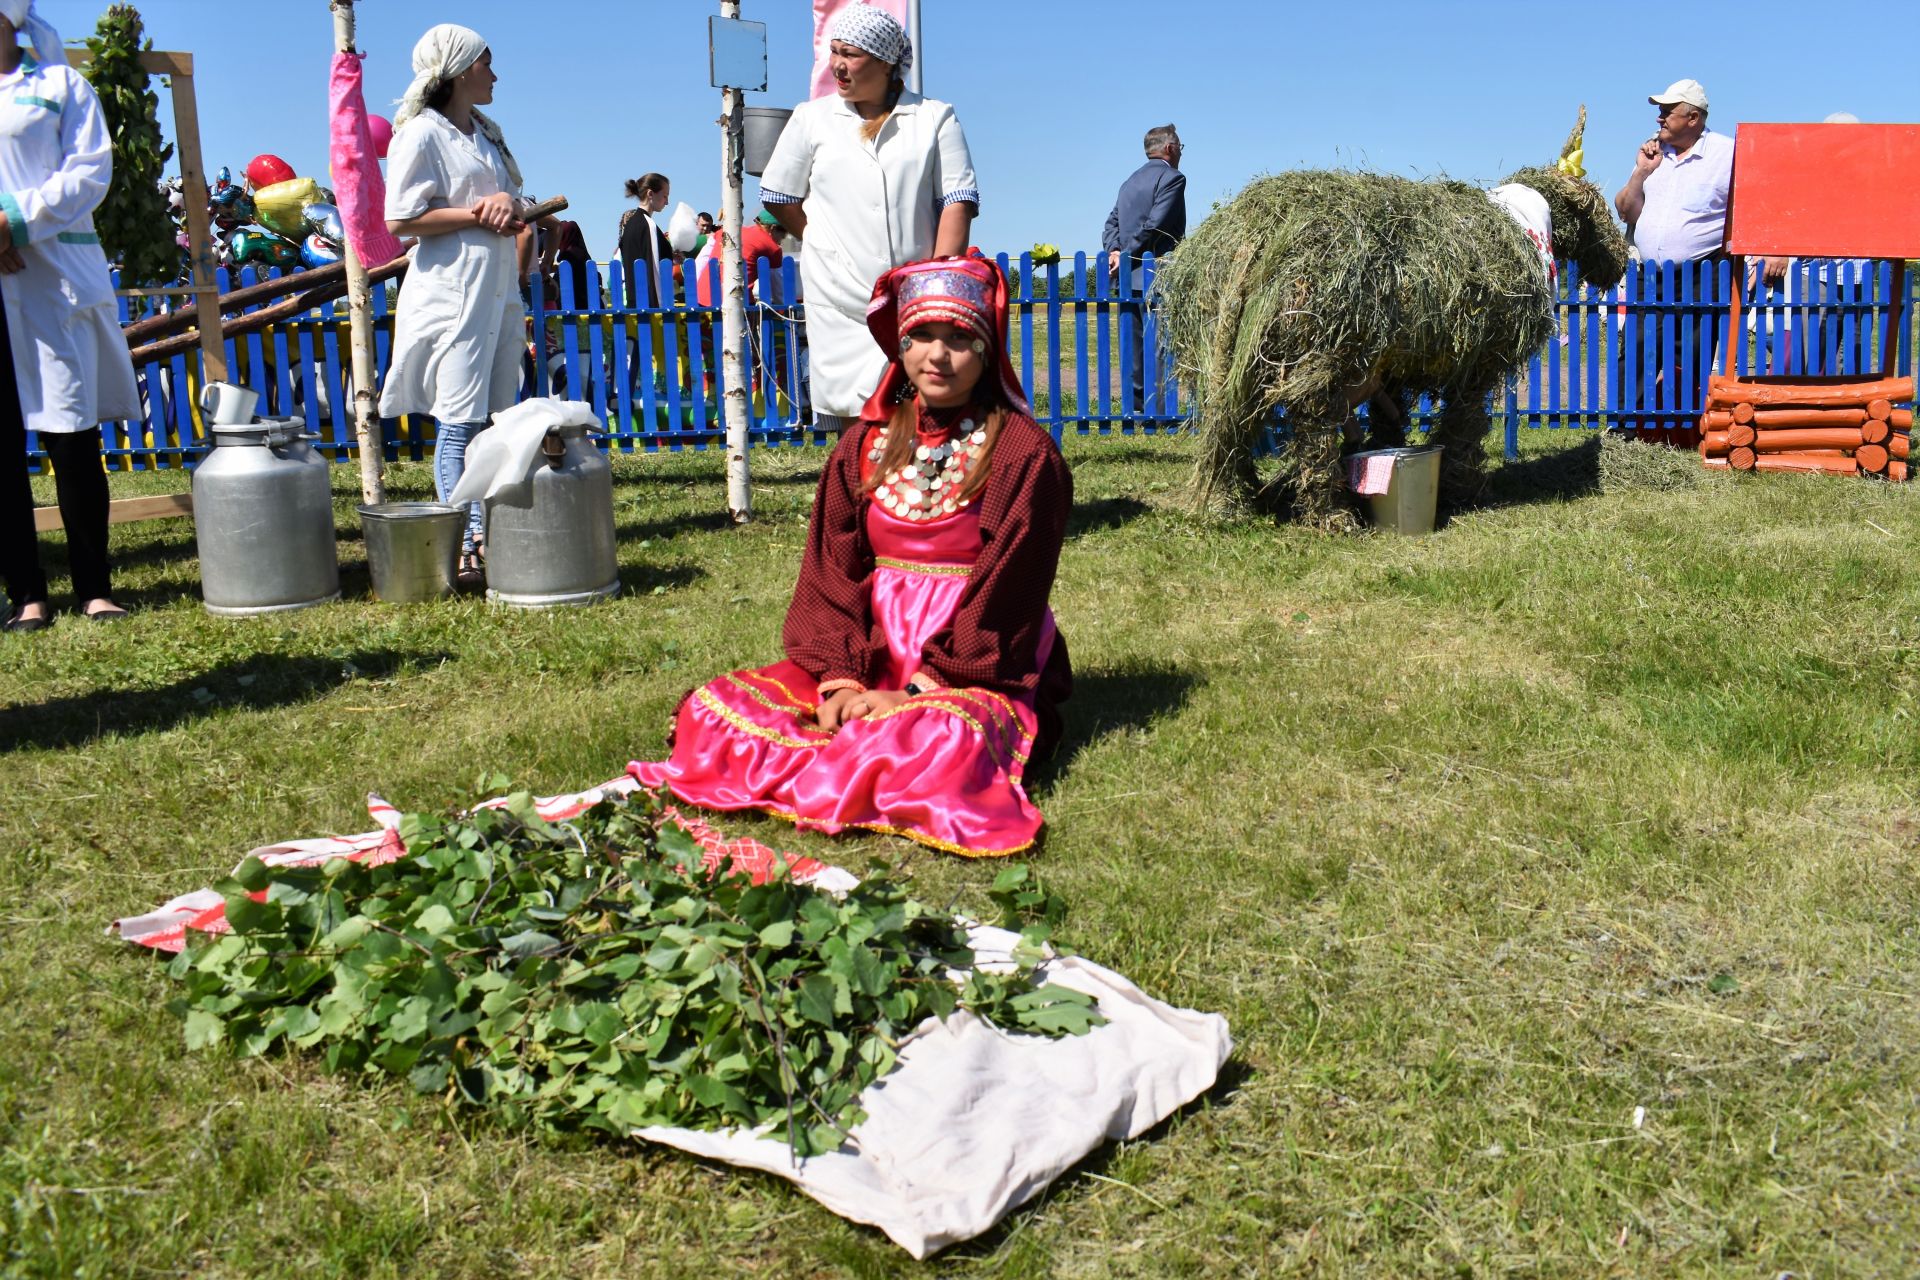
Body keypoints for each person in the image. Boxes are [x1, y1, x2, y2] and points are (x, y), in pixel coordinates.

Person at [632, 256, 1073, 858]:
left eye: (959, 339)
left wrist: (917, 692)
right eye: (919, 336)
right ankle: (855, 724)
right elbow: (831, 571)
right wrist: (840, 679)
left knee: (931, 745)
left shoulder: (1023, 453)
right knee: (717, 714)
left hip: (973, 658)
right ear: (899, 342)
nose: (935, 357)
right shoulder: (863, 445)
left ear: (988, 348)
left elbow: (1008, 591)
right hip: (870, 644)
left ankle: (905, 724)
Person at [760, 3, 978, 430]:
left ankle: (915, 494)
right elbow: (777, 194)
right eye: (835, 52)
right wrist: (821, 239)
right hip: (838, 296)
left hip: (911, 294)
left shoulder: (934, 117)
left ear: (885, 63)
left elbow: (958, 201)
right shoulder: (812, 118)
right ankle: (858, 492)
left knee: (920, 413)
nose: (838, 66)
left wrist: (934, 283)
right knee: (852, 420)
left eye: (850, 55)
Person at [0, 0, 139, 629]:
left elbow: (89, 173)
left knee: (72, 438)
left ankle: (94, 586)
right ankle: (26, 592)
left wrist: (14, 225)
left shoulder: (59, 85)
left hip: (53, 282)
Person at [378, 23, 530, 580]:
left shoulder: (485, 134)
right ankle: (463, 541)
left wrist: (518, 212)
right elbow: (401, 218)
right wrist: (477, 213)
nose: (494, 74)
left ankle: (490, 533)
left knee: (492, 414)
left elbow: (501, 200)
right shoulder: (421, 133)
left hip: (494, 285)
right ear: (464, 69)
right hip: (454, 290)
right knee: (459, 418)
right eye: (487, 64)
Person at [1611, 79, 1782, 434]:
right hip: (1649, 274)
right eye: (1659, 112)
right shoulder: (1652, 155)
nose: (1659, 119)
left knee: (1690, 354)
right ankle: (1628, 427)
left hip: (1701, 274)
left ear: (1693, 117)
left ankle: (1682, 428)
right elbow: (1626, 211)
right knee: (1637, 352)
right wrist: (1642, 172)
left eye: (1666, 112)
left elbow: (1760, 201)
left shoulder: (1727, 154)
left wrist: (1771, 247)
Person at [1101, 124, 1185, 414]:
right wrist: (1125, 254)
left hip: (1127, 278)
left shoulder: (1130, 181)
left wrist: (1114, 251)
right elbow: (1156, 225)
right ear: (1170, 148)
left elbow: (1111, 222)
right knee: (1160, 347)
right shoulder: (1173, 178)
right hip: (1157, 274)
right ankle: (1160, 410)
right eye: (1180, 148)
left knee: (1134, 346)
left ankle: (1136, 407)